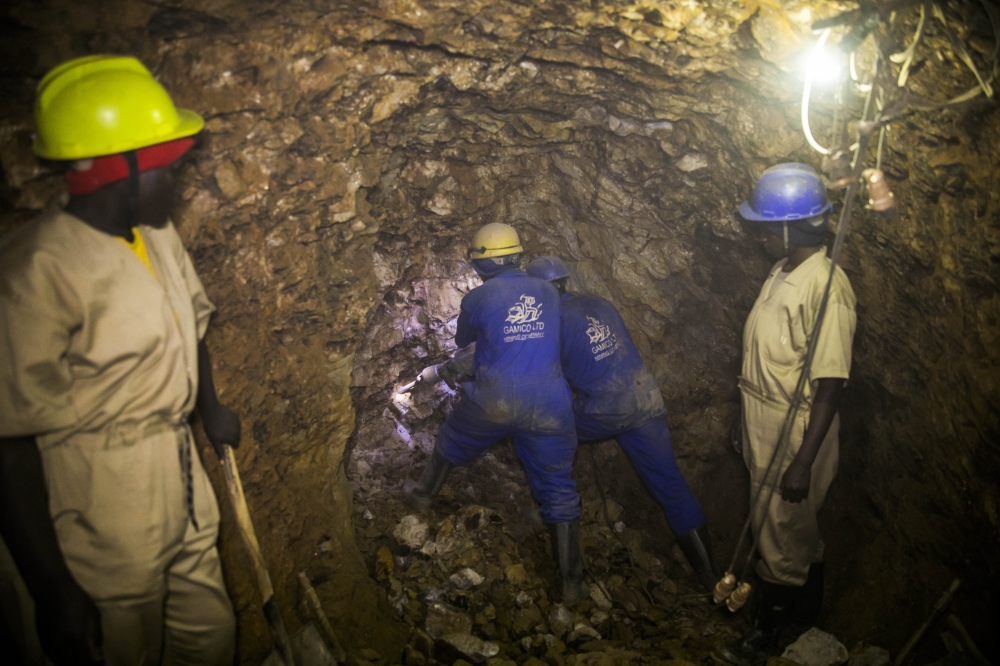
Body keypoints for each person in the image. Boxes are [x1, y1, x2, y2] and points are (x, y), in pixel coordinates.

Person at [0, 55, 239, 665]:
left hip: (178, 472)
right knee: (125, 648)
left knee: (209, 638)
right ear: (121, 171)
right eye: (170, 171)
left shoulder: (156, 232)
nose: (178, 185)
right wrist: (51, 585)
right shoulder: (35, 270)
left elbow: (193, 323)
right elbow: (8, 440)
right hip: (99, 498)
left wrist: (210, 408)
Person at [403, 223, 587, 604]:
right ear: (518, 256)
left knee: (451, 439)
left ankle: (422, 495)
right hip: (550, 403)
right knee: (558, 484)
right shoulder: (550, 293)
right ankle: (572, 582)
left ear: (482, 263)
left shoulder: (478, 298)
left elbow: (465, 345)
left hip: (495, 401)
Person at [721, 164, 857, 663]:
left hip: (795, 428)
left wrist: (803, 460)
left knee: (778, 532)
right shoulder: (783, 272)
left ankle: (769, 634)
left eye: (763, 225)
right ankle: (805, 616)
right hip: (764, 417)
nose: (757, 234)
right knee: (791, 530)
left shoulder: (827, 286)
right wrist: (745, 417)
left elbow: (830, 384)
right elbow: (767, 358)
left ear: (787, 226)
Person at [525, 256, 722, 592]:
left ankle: (565, 561)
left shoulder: (552, 321)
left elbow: (540, 372)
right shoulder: (597, 303)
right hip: (645, 397)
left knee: (540, 432)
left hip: (607, 408)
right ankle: (712, 578)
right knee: (671, 487)